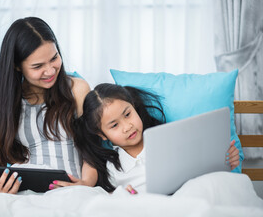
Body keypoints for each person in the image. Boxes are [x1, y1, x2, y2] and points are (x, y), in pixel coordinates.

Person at [0, 17, 97, 193]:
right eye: (38, 66)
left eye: (54, 58)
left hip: (73, 193)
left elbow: (91, 151)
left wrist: (86, 183)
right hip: (23, 194)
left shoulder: (78, 89)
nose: (51, 70)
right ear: (17, 66)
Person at [70, 83, 240, 194]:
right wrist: (124, 199)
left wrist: (225, 161)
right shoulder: (113, 169)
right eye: (114, 125)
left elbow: (200, 172)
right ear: (102, 134)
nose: (127, 126)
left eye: (128, 114)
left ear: (135, 108)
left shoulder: (169, 139)